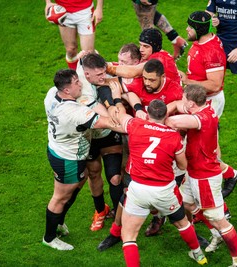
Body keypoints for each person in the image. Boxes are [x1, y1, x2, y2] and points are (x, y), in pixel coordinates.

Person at [114, 98, 208, 266]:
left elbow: (121, 115)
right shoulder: (174, 136)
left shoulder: (135, 125)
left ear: (147, 114)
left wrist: (116, 99)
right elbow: (182, 165)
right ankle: (199, 255)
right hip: (164, 190)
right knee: (182, 223)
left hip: (138, 189)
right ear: (166, 115)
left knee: (128, 236)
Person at [166, 84, 237, 267]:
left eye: (185, 99)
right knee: (185, 201)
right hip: (193, 172)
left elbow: (174, 122)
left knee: (219, 220)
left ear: (192, 103)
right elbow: (179, 106)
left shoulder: (201, 118)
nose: (183, 102)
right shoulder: (206, 109)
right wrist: (172, 105)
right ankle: (216, 235)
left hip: (205, 177)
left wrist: (155, 120)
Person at [42, 69, 121, 250]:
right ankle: (49, 237)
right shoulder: (74, 112)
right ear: (67, 90)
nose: (80, 84)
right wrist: (117, 104)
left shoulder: (52, 94)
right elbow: (109, 122)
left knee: (80, 181)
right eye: (76, 82)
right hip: (67, 159)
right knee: (60, 197)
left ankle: (59, 222)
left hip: (59, 149)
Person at [181, 11, 237, 202]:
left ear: (199, 29)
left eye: (190, 27)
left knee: (204, 148)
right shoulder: (201, 44)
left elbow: (215, 84)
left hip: (209, 102)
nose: (187, 29)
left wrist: (187, 81)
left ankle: (228, 175)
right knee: (207, 144)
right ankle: (223, 175)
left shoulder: (212, 51)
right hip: (200, 99)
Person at [80, 53, 125, 231]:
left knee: (115, 177)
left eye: (103, 73)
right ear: (86, 74)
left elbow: (89, 53)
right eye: (98, 75)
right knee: (93, 172)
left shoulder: (97, 74)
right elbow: (106, 115)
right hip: (90, 136)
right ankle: (100, 210)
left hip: (108, 134)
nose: (103, 77)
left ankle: (118, 217)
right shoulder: (82, 89)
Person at [107, 28, 181, 85]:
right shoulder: (158, 53)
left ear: (154, 47)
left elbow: (133, 72)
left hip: (168, 99)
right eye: (140, 45)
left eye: (146, 46)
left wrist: (104, 67)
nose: (141, 49)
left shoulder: (159, 59)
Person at [44, 0, 103, 69]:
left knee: (88, 53)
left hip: (85, 11)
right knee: (70, 49)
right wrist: (48, 2)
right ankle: (75, 75)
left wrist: (99, 7)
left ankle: (99, 74)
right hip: (62, 12)